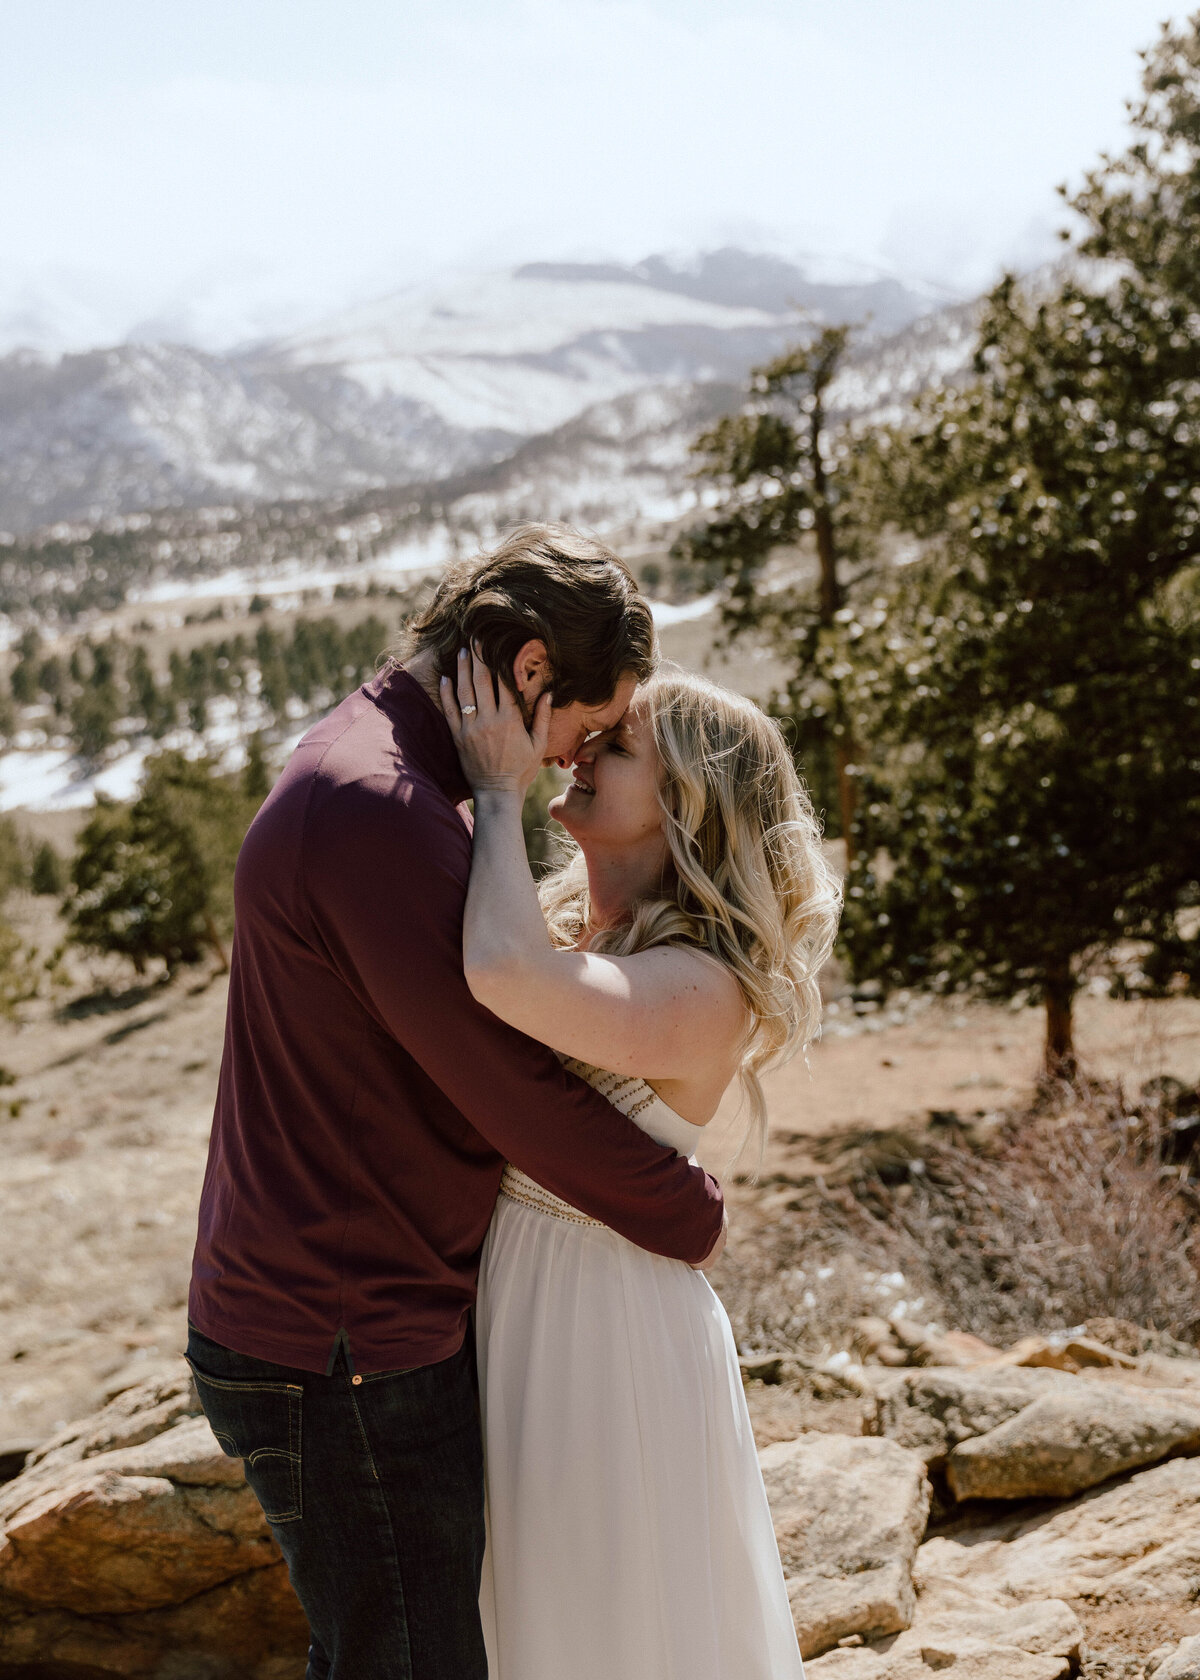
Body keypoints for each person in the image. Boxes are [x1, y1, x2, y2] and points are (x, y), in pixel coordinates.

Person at [184, 525, 727, 1680]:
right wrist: (685, 1212)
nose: (581, 755)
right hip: (342, 1347)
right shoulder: (378, 810)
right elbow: (506, 1094)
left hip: (342, 1326)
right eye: (586, 725)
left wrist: (499, 805)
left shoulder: (376, 768)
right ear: (531, 671)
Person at [439, 648, 841, 1680]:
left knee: (601, 1619)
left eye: (619, 745)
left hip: (603, 1328)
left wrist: (495, 786)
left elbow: (498, 973)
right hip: (518, 1302)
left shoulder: (706, 984)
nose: (581, 750)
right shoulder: (576, 927)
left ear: (689, 810)